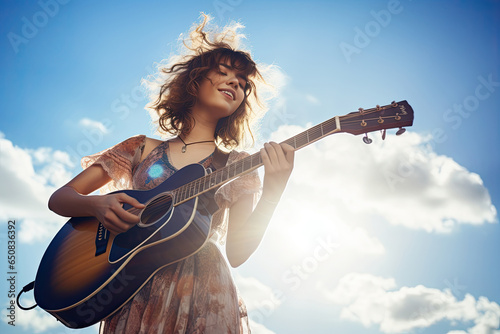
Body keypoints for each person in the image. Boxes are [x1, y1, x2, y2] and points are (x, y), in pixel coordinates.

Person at [48, 14, 294, 333]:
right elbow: (61, 199)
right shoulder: (139, 147)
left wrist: (273, 193)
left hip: (204, 292)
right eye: (223, 72)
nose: (236, 83)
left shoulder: (238, 163)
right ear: (194, 81)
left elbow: (237, 253)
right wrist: (97, 206)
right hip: (133, 287)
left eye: (243, 83)